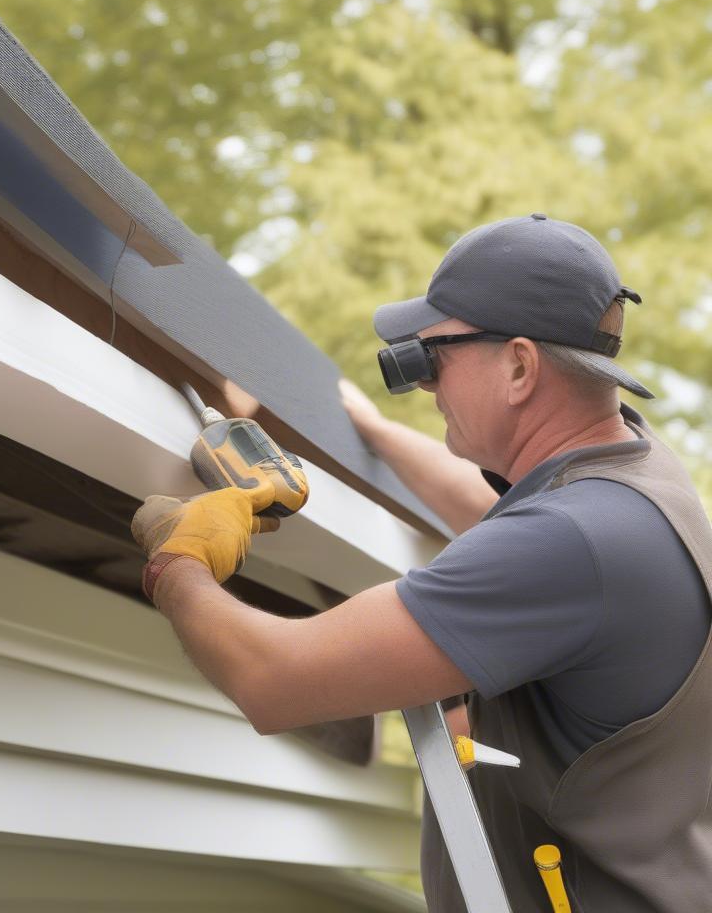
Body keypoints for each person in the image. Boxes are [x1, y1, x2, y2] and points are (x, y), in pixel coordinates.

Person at [130, 214, 712, 912]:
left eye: (432, 358)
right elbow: (490, 501)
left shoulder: (567, 542)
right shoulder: (634, 478)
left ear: (521, 366)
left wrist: (180, 560)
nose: (426, 385)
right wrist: (368, 430)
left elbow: (272, 679)